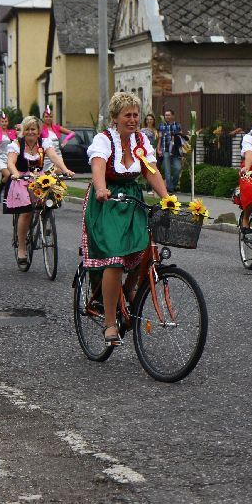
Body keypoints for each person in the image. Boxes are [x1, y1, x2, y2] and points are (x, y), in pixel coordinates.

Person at [81, 91, 169, 346]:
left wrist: (167, 198)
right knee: (115, 259)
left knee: (143, 250)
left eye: (135, 115)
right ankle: (110, 323)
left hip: (132, 198)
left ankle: (130, 289)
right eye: (127, 115)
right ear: (115, 118)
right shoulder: (104, 139)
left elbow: (151, 171)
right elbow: (98, 165)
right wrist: (100, 188)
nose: (133, 119)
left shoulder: (141, 141)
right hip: (107, 202)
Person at [5, 116, 75, 265]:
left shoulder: (44, 144)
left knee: (49, 199)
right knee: (26, 212)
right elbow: (10, 162)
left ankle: (45, 221)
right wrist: (15, 172)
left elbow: (54, 157)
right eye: (28, 129)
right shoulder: (17, 144)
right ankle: (22, 249)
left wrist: (65, 169)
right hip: (22, 180)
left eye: (33, 129)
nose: (31, 132)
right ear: (24, 131)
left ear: (38, 131)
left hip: (38, 178)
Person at [158, 108, 183, 193]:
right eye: (166, 115)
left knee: (178, 168)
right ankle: (170, 188)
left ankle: (173, 184)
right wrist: (159, 149)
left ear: (172, 116)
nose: (167, 117)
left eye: (168, 115)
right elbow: (160, 139)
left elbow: (181, 138)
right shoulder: (162, 125)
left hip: (175, 151)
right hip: (165, 150)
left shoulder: (178, 125)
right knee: (167, 171)